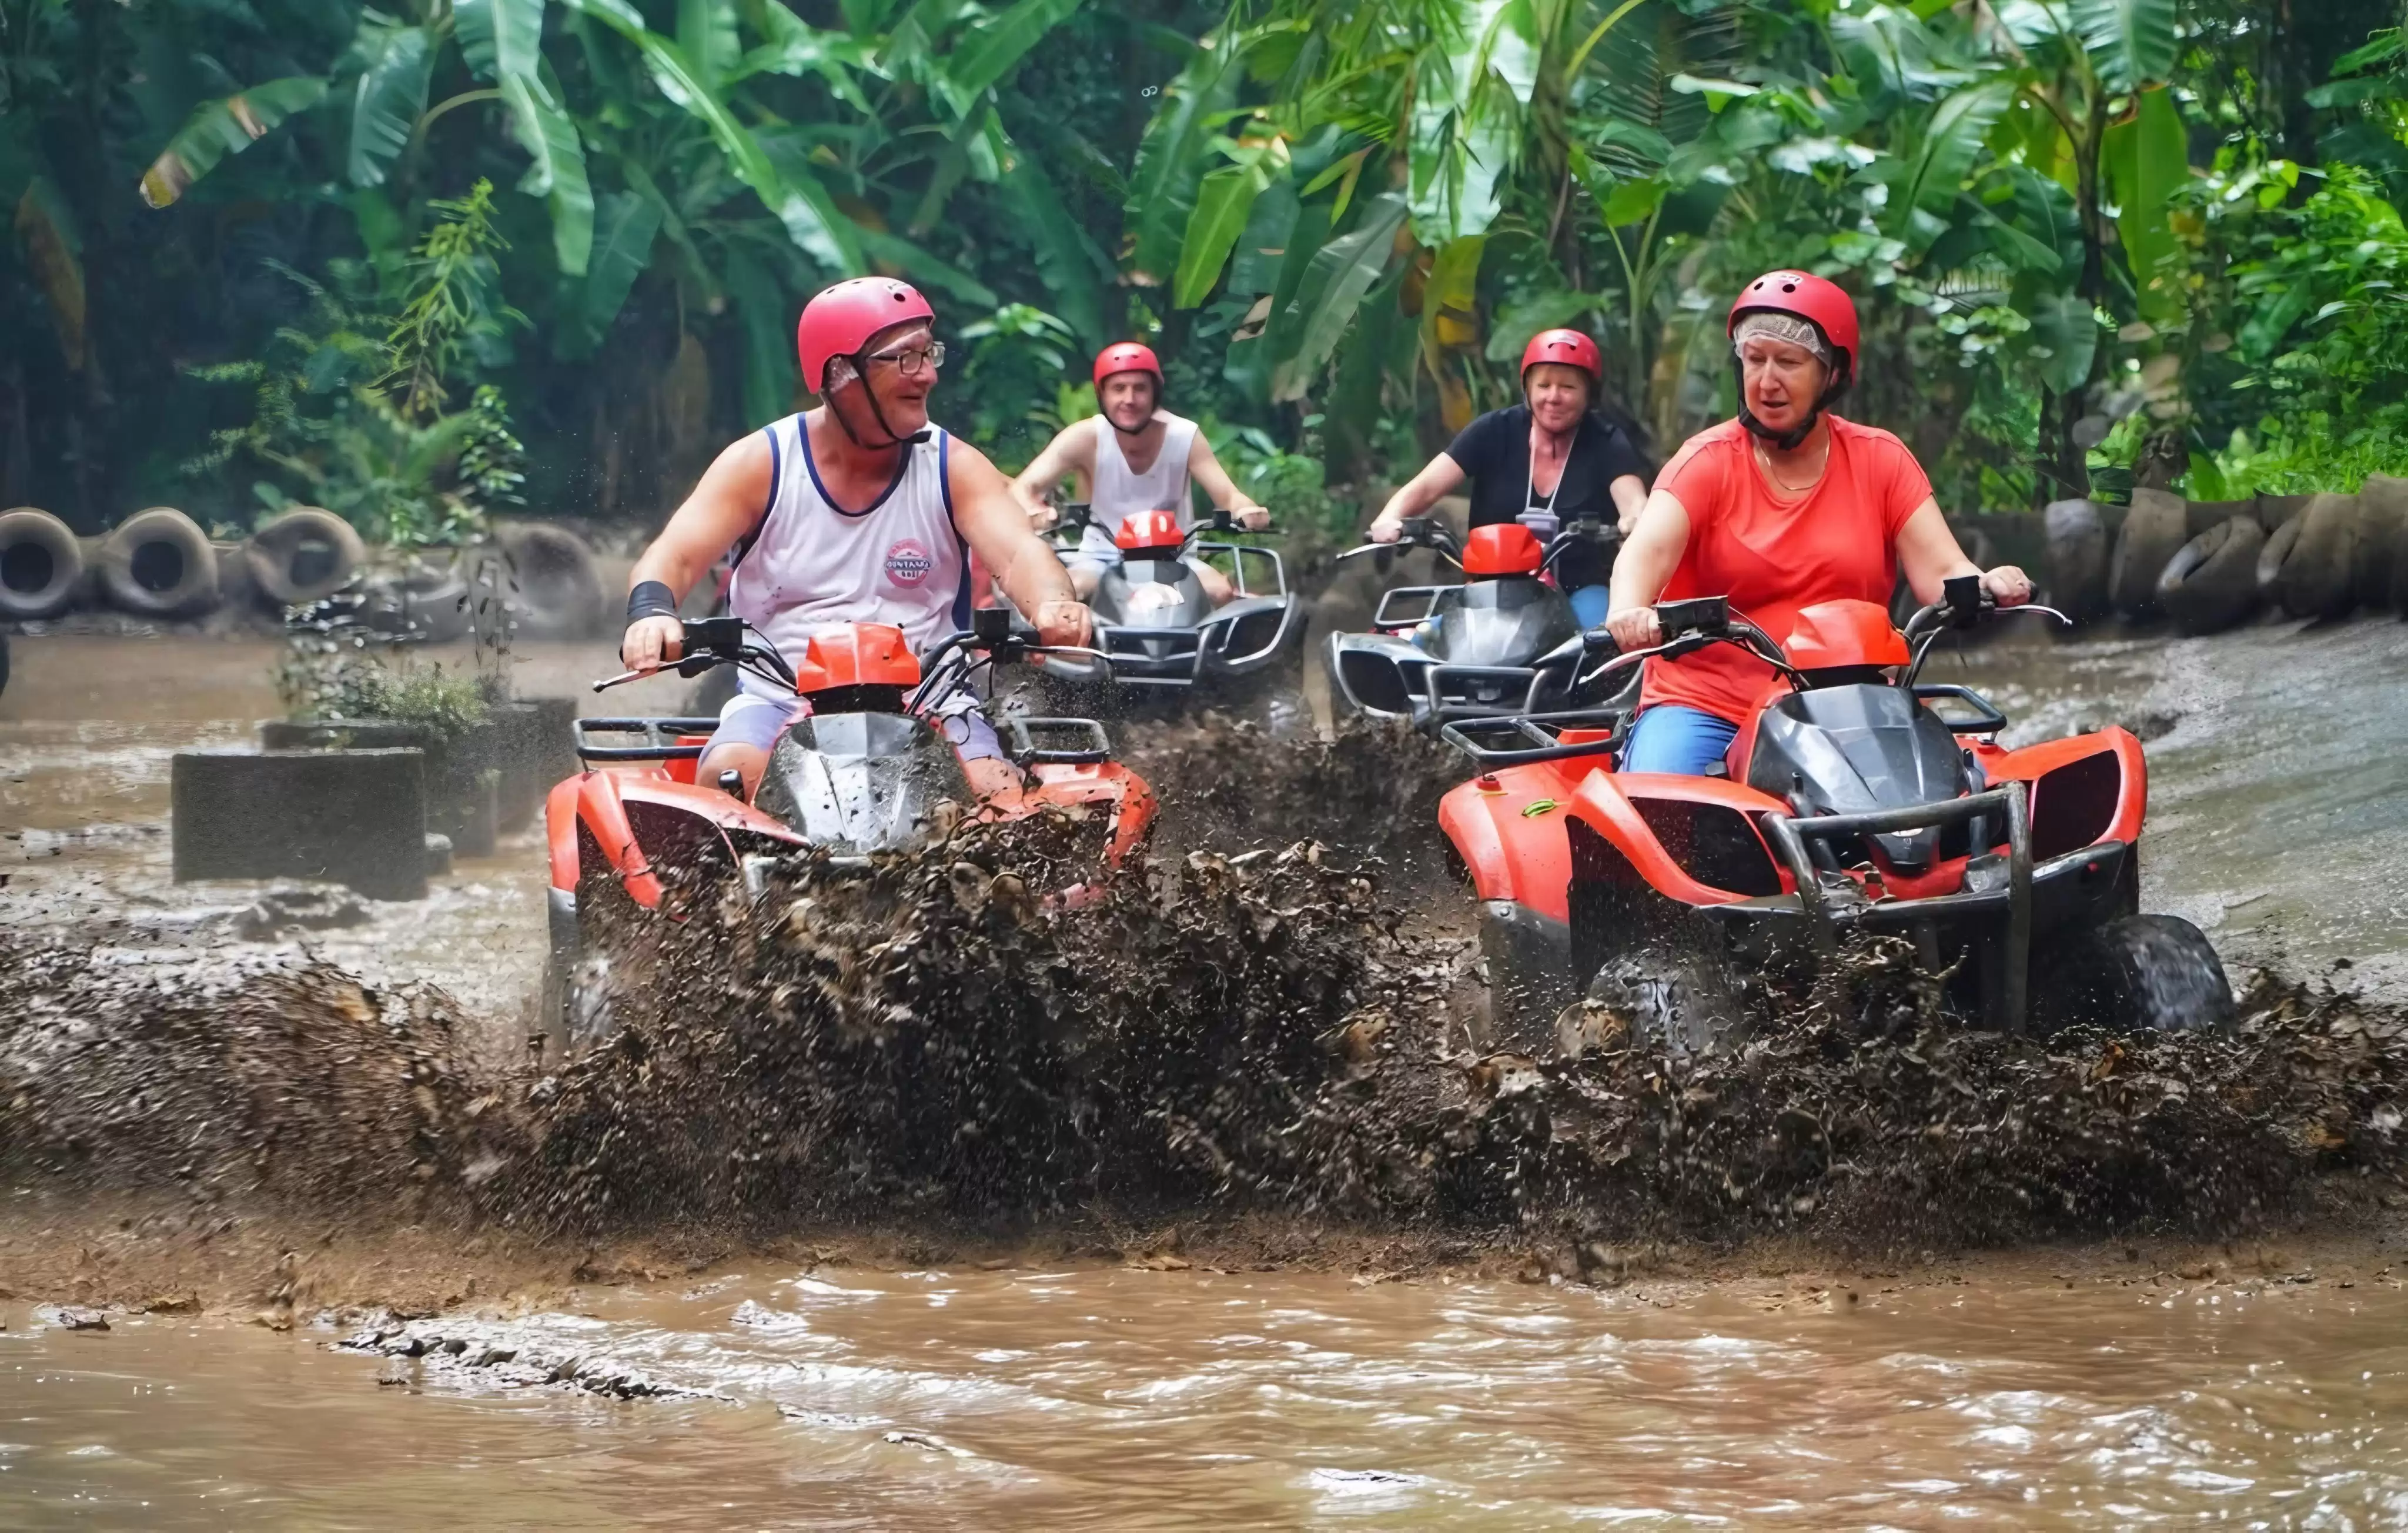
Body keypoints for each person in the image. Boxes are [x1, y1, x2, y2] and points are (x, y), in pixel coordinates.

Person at [618, 277, 1093, 802]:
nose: (929, 375)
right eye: (905, 358)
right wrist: (652, 612)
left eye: (929, 353)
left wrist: (1053, 604)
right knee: (730, 780)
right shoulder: (761, 463)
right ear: (839, 371)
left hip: (928, 702)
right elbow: (675, 556)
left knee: (996, 793)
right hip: (780, 701)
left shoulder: (952, 465)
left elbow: (1020, 551)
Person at [1603, 270, 2035, 777]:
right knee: (1662, 806)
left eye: (1789, 362)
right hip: (1710, 707)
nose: (1767, 381)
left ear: (1832, 374)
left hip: (1854, 703)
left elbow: (1942, 569)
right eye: (1755, 359)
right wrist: (1629, 611)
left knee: (1962, 802)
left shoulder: (1881, 460)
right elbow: (1643, 553)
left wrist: (1984, 583)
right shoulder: (1704, 462)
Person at [1365, 329, 1651, 626]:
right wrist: (1391, 517)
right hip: (1490, 588)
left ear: (1590, 395)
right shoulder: (1493, 431)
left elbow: (1634, 503)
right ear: (1527, 388)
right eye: (1543, 385)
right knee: (1430, 642)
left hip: (1578, 589)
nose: (1553, 397)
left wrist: (1634, 522)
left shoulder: (1606, 441)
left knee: (1604, 640)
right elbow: (1426, 486)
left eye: (1568, 387)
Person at [1009, 342, 1269, 604]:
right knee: (1065, 597)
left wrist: (1246, 510)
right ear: (1102, 394)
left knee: (1220, 592)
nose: (1129, 400)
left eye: (1140, 389)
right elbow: (1023, 488)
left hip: (1175, 557)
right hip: (1102, 557)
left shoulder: (1184, 435)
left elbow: (1228, 495)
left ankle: (1210, 646)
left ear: (1155, 393)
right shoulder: (1085, 437)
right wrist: (1033, 509)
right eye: (1119, 389)